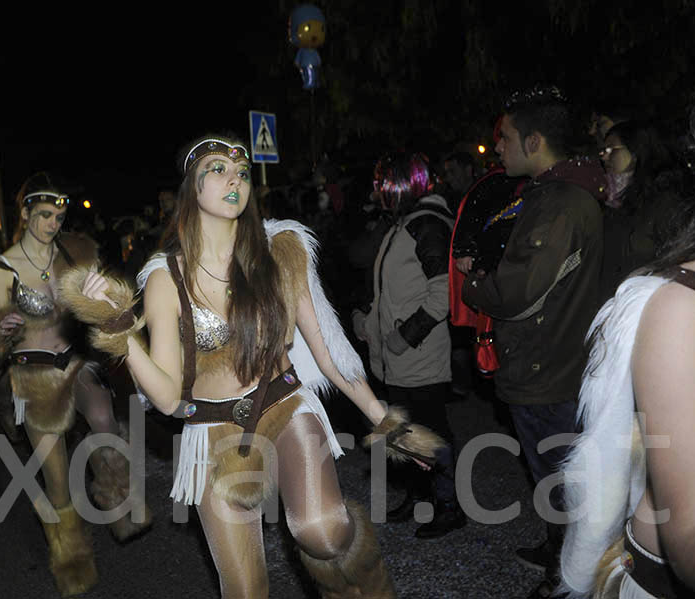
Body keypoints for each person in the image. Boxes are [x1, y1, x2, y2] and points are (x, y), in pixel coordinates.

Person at [62, 134, 444, 598]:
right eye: (218, 169)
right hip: (210, 432)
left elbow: (328, 352)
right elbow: (164, 398)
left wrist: (382, 419)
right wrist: (119, 329)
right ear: (192, 188)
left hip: (284, 409)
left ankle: (370, 585)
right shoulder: (166, 277)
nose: (234, 180)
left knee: (323, 532)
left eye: (242, 173)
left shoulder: (281, 251)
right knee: (243, 589)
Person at [558, 80, 695, 599]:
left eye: (612, 147)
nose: (604, 155)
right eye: (600, 147)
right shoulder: (679, 302)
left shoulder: (659, 205)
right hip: (633, 333)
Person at [461, 85, 606, 599]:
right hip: (547, 362)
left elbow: (521, 291)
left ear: (536, 140)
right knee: (553, 475)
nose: (497, 147)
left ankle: (569, 579)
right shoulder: (551, 196)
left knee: (563, 479)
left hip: (550, 369)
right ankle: (558, 552)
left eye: (505, 138)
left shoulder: (560, 203)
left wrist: (472, 281)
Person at [0, 173, 151, 598]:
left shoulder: (70, 254)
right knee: (56, 480)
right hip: (34, 377)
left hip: (74, 363)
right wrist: (4, 326)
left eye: (58, 216)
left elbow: (99, 310)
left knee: (101, 415)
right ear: (24, 214)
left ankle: (123, 502)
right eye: (43, 215)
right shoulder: (1, 268)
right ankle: (71, 559)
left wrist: (104, 300)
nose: (52, 224)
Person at [351, 151, 465, 537]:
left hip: (420, 358)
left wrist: (402, 337)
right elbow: (394, 293)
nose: (376, 191)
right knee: (404, 431)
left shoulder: (426, 224)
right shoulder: (407, 224)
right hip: (400, 359)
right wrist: (368, 323)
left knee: (432, 433)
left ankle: (450, 505)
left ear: (401, 185)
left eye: (382, 184)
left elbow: (442, 294)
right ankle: (423, 497)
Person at [598, 120, 682, 302]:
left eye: (612, 150)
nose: (604, 157)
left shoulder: (665, 202)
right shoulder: (608, 198)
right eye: (603, 151)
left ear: (637, 151)